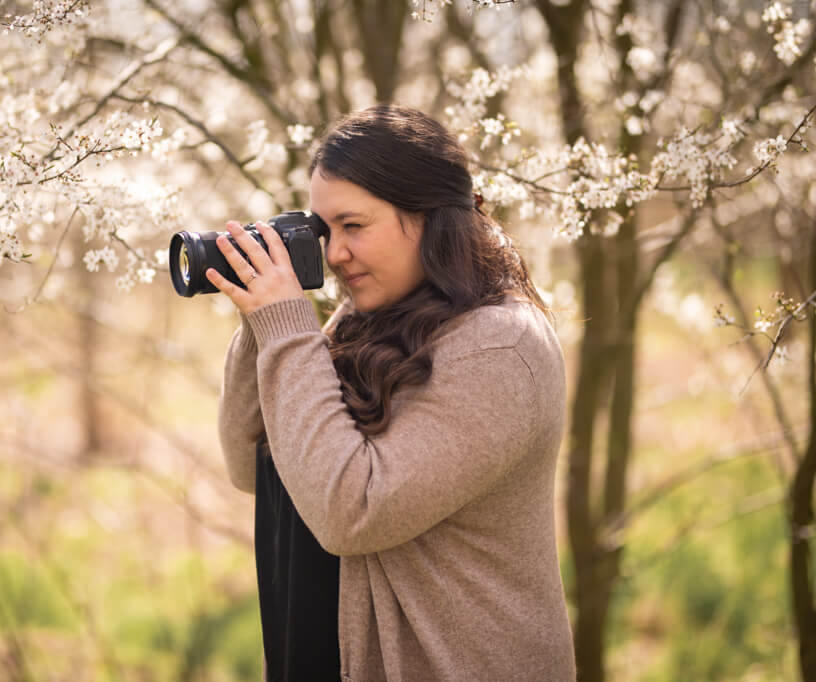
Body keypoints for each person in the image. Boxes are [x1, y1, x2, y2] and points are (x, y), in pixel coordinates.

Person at [208, 104, 576, 682]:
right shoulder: (365, 324)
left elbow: (352, 512)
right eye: (327, 232)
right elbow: (251, 463)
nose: (333, 255)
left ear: (431, 217)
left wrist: (286, 327)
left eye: (355, 226)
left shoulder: (502, 348)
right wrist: (263, 324)